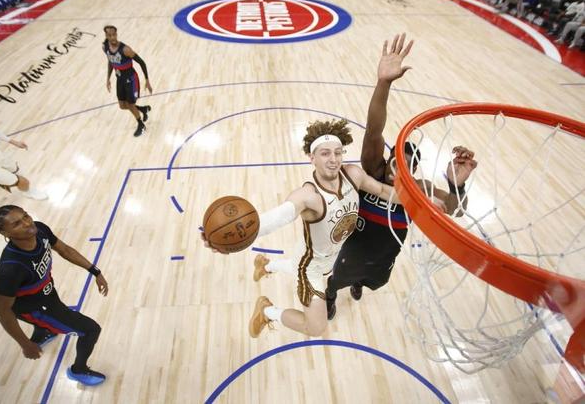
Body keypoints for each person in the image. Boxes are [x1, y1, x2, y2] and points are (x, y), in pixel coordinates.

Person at [204, 117, 432, 338]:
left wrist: (422, 200)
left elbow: (383, 191)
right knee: (315, 327)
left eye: (338, 152)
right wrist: (233, 238)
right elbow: (276, 218)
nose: (333, 159)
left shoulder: (353, 175)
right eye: (325, 153)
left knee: (297, 265)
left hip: (329, 256)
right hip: (310, 266)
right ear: (311, 157)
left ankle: (266, 265)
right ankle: (266, 312)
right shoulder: (308, 196)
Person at [323, 33, 478, 320]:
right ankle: (331, 296)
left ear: (412, 170)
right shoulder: (373, 168)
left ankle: (359, 284)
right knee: (336, 280)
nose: (397, 169)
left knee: (370, 282)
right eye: (395, 161)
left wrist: (457, 185)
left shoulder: (419, 188)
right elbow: (374, 128)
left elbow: (456, 209)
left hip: (385, 256)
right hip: (354, 246)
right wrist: (383, 83)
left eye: (406, 166)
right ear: (388, 159)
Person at [0, 205, 109, 385]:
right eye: (16, 224)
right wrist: (25, 344)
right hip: (34, 309)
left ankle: (44, 332)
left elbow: (65, 250)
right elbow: (2, 311)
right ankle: (78, 370)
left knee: (54, 317)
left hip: (47, 293)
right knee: (91, 330)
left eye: (26, 216)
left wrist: (95, 271)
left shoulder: (40, 230)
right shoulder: (11, 268)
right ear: (4, 233)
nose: (27, 223)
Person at [103, 25, 153, 137]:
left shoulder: (126, 49)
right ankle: (143, 109)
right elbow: (110, 61)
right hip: (119, 78)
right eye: (110, 35)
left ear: (116, 34)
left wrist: (147, 80)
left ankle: (141, 125)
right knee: (122, 105)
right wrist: (108, 78)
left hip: (130, 79)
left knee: (130, 104)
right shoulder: (105, 47)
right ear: (106, 36)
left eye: (114, 34)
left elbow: (142, 62)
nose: (112, 37)